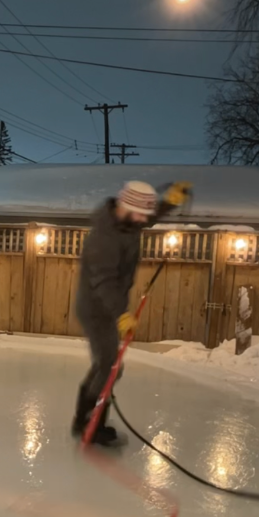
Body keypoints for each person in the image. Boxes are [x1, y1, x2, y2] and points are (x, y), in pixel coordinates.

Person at [72, 180, 191, 446]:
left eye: (143, 216)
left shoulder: (126, 220)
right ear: (125, 207)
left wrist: (170, 202)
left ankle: (84, 418)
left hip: (109, 305)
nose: (142, 220)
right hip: (97, 308)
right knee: (110, 366)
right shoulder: (104, 239)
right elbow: (103, 281)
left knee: (107, 365)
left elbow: (146, 216)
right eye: (138, 214)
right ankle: (89, 423)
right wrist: (121, 314)